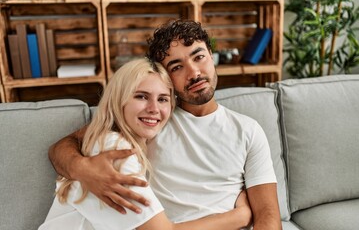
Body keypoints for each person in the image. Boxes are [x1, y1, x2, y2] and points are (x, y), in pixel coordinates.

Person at [49, 19, 281, 229]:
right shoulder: (151, 121)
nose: (194, 73)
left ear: (211, 56)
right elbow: (64, 145)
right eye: (177, 67)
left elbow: (268, 215)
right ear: (165, 78)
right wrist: (81, 169)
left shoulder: (248, 130)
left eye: (199, 57)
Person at [39, 58, 251, 230]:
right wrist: (240, 216)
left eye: (162, 99)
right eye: (141, 96)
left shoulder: (116, 141)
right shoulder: (116, 151)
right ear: (118, 100)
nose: (153, 109)